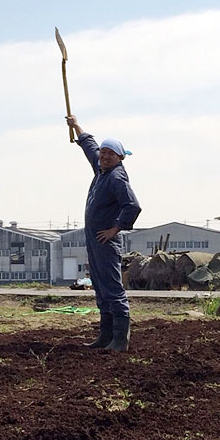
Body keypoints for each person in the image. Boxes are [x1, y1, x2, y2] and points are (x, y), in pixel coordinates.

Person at [66, 115, 141, 351]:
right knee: (99, 285)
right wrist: (76, 126)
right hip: (94, 241)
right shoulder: (101, 170)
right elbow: (90, 148)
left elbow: (132, 206)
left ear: (120, 158)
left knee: (111, 287)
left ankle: (120, 340)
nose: (105, 156)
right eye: (104, 152)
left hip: (106, 242)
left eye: (110, 153)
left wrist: (115, 229)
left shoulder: (116, 177)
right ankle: (105, 337)